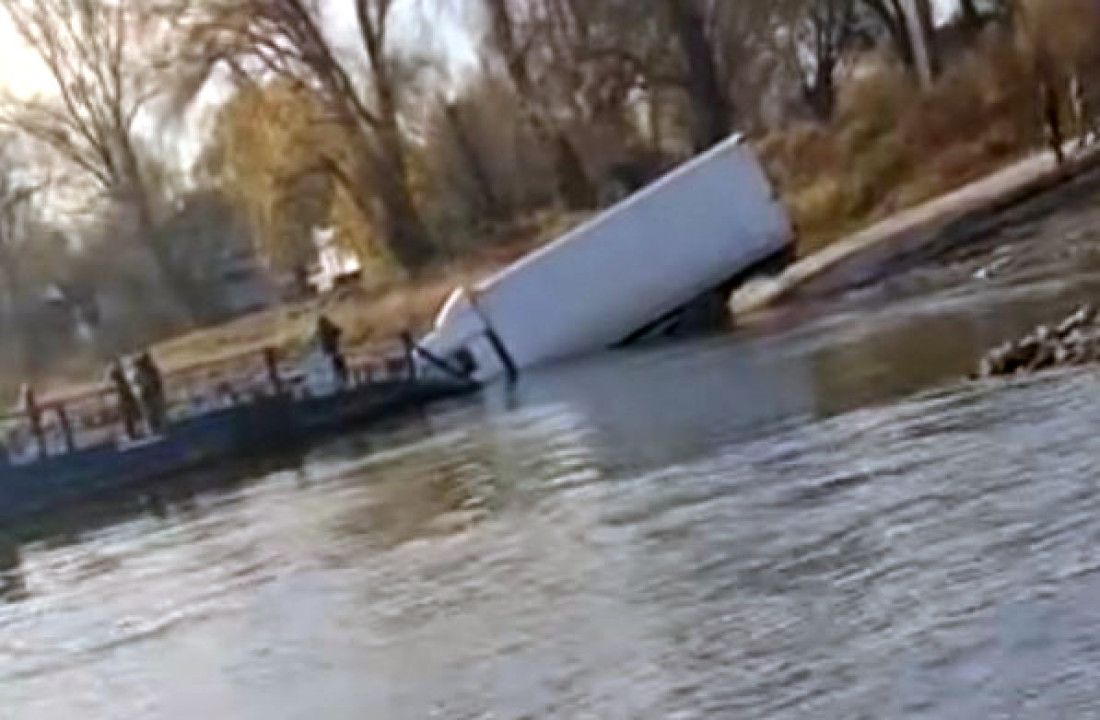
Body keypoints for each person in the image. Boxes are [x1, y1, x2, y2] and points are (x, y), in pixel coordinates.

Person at [107, 358, 141, 441]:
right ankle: (133, 433)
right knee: (129, 417)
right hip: (126, 398)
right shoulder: (121, 379)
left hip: (125, 399)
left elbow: (119, 388)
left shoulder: (119, 380)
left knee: (128, 417)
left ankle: (132, 434)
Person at [133, 352, 167, 434]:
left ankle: (160, 429)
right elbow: (137, 383)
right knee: (153, 414)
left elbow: (157, 382)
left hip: (153, 395)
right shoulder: (142, 372)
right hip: (149, 395)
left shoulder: (151, 370)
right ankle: (157, 429)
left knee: (156, 413)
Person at [314, 315, 349, 387]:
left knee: (336, 369)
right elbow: (339, 332)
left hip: (330, 354)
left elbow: (339, 332)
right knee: (339, 368)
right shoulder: (328, 330)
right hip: (333, 353)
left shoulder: (321, 332)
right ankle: (343, 382)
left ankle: (341, 382)